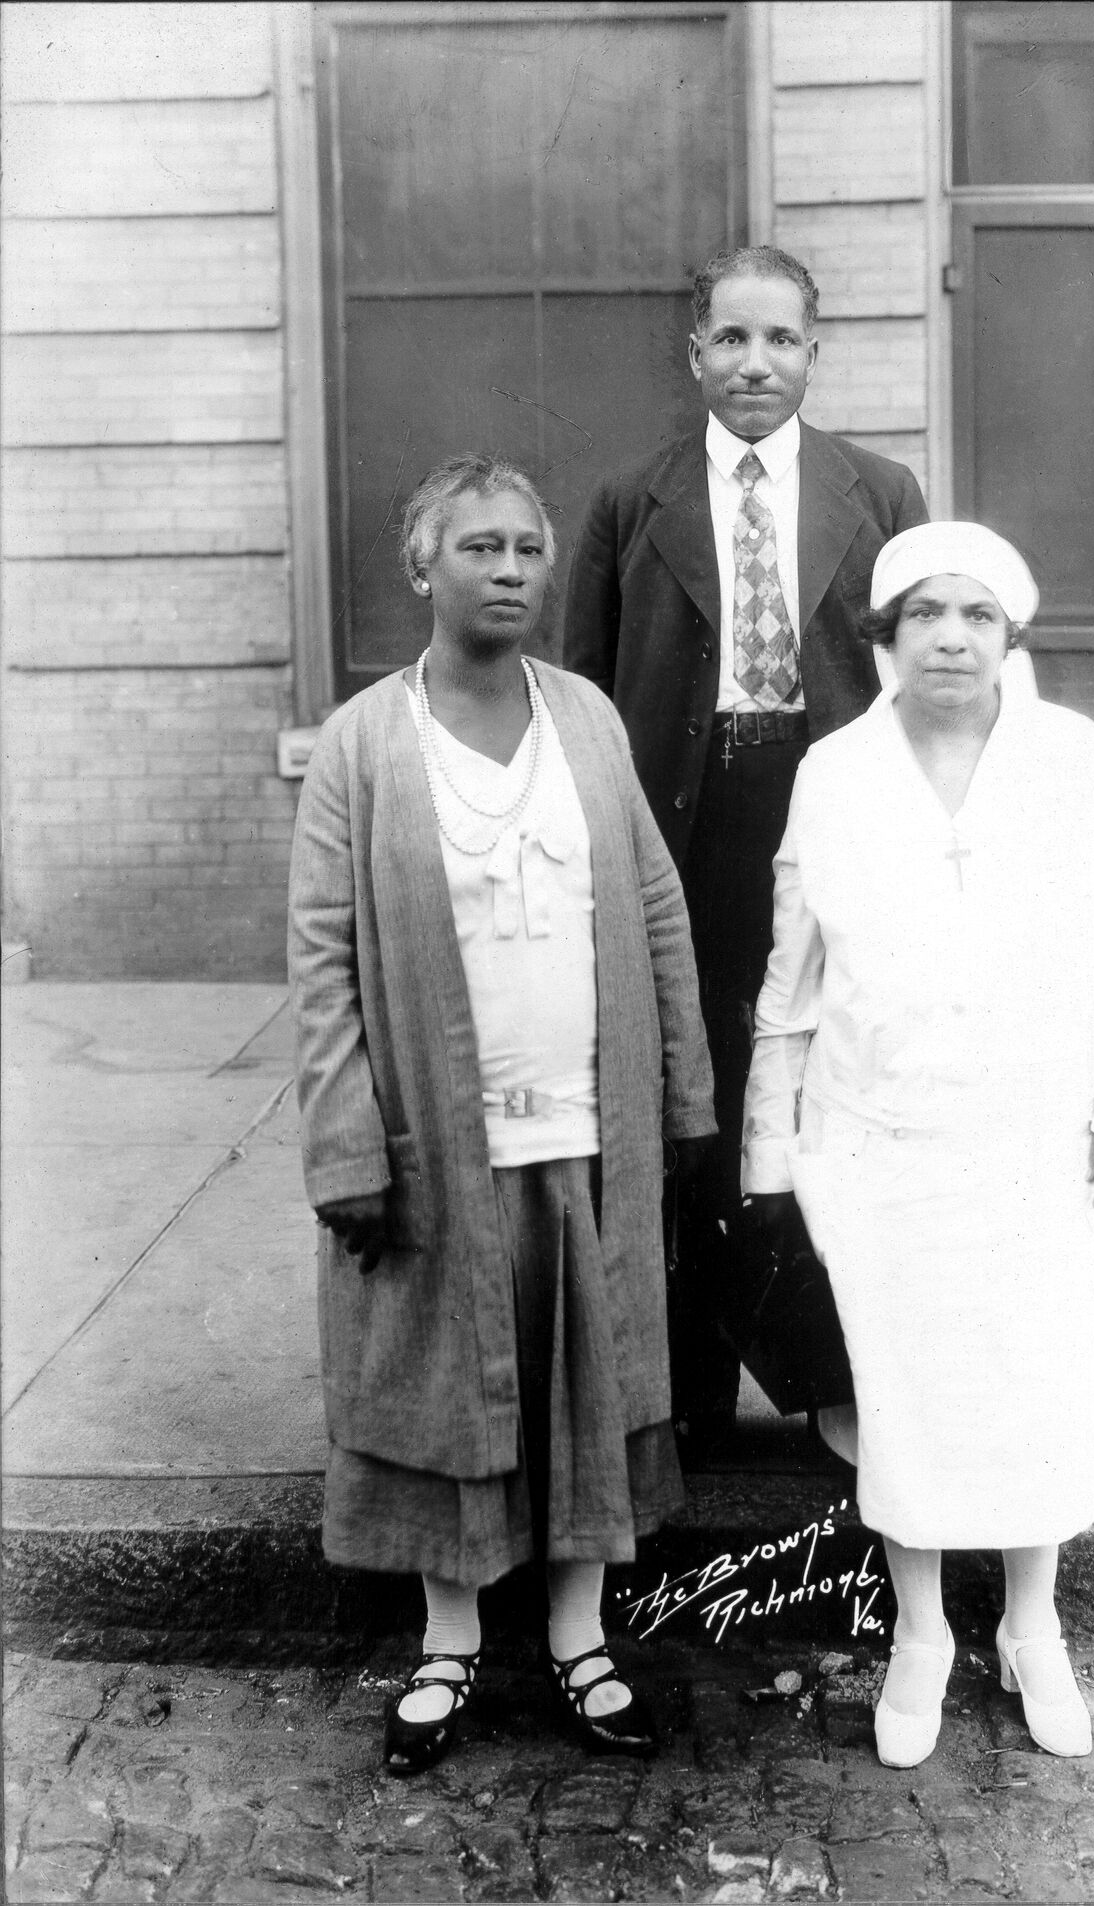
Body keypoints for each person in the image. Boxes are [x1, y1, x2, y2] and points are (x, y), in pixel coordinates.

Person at [288, 454, 714, 1776]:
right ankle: (450, 1643)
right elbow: (320, 959)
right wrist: (351, 1138)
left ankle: (584, 1642)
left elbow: (652, 901)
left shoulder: (586, 716)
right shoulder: (364, 743)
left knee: (587, 1378)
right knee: (448, 1383)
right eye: (480, 546)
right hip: (439, 1134)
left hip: (587, 1126)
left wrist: (685, 1085)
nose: (512, 569)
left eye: (529, 546)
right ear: (424, 567)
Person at [741, 521, 1094, 1769]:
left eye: (975, 614)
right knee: (907, 1391)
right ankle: (925, 1629)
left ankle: (1034, 1621)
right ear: (882, 639)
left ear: (1008, 635)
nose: (949, 636)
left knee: (1030, 1380)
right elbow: (792, 976)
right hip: (878, 1140)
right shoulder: (833, 769)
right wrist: (767, 1160)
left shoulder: (1066, 755)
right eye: (923, 614)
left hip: (1037, 1136)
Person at [564, 245, 928, 1457]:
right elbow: (581, 693)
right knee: (696, 1086)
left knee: (829, 1082)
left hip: (828, 808)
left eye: (780, 340)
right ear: (696, 355)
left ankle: (837, 1379)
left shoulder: (879, 493)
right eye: (730, 338)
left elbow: (920, 685)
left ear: (814, 354)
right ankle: (689, 1391)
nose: (754, 362)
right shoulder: (632, 501)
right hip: (688, 817)